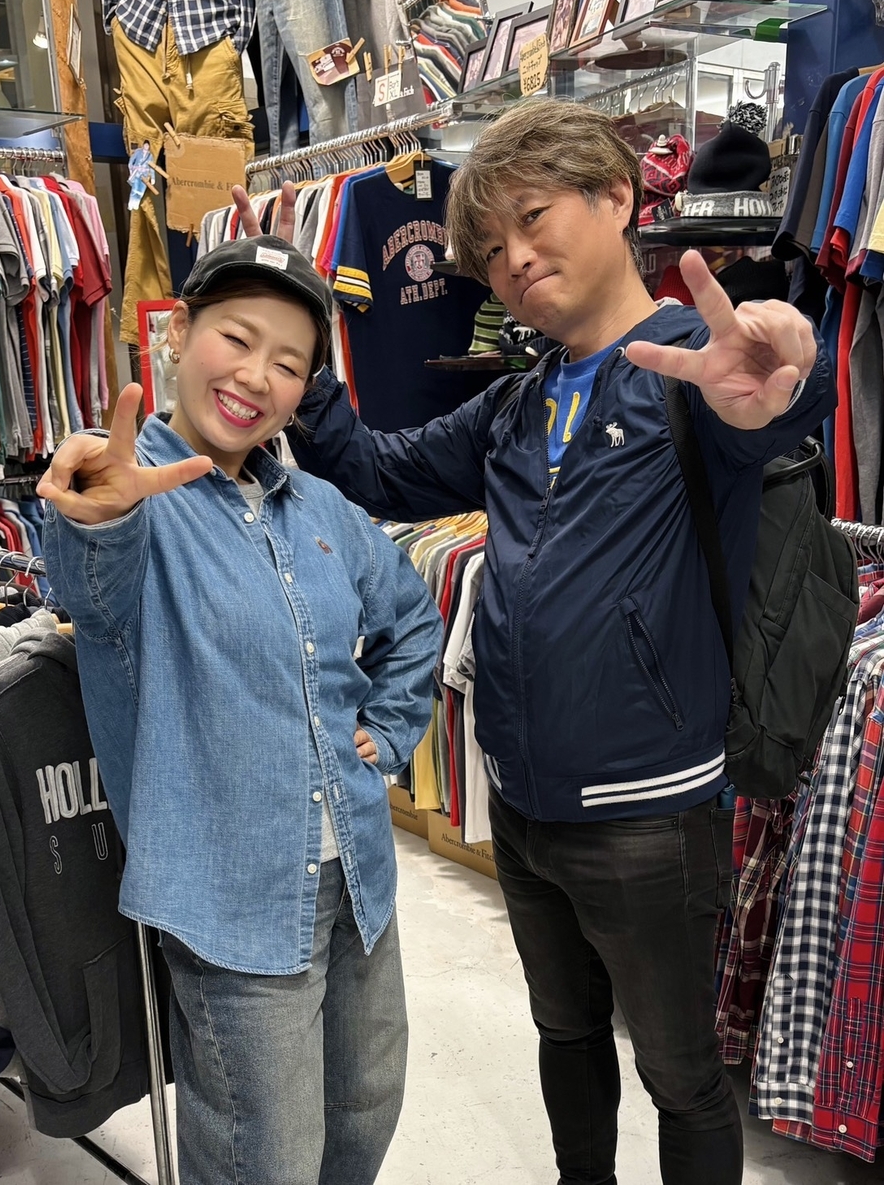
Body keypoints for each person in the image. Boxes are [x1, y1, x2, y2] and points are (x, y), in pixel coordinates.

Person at [234, 99, 835, 1185]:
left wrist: (786, 381)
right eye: (489, 246)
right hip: (520, 801)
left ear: (616, 197)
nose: (512, 258)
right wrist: (302, 362)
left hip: (651, 809)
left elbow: (773, 406)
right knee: (564, 1035)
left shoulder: (699, 368)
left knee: (682, 1075)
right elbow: (375, 473)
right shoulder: (516, 406)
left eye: (533, 217)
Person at [38, 236, 442, 1185]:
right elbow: (93, 597)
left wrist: (386, 736)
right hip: (229, 903)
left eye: (290, 363)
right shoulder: (136, 500)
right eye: (238, 338)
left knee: (363, 1116)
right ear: (180, 332)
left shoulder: (324, 511)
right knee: (266, 1158)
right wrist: (100, 517)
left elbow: (415, 621)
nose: (257, 377)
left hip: (359, 880)